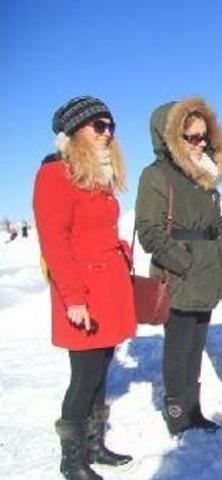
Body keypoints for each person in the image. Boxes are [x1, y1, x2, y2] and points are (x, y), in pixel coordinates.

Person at [34, 96, 135, 480]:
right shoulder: (55, 173)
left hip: (108, 286)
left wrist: (121, 252)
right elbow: (55, 241)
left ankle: (94, 445)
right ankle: (71, 460)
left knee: (101, 369)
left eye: (111, 125)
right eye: (99, 126)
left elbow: (97, 231)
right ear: (76, 131)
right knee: (85, 375)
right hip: (82, 292)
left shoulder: (99, 175)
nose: (107, 133)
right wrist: (73, 298)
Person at [135, 97, 222, 436]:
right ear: (172, 138)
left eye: (203, 136)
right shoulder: (155, 175)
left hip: (206, 273)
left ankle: (195, 410)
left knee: (196, 347)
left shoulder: (205, 177)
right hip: (178, 276)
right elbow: (149, 231)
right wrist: (185, 263)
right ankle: (177, 411)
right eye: (192, 137)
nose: (201, 143)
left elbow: (218, 225)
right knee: (179, 348)